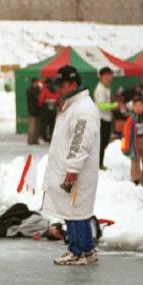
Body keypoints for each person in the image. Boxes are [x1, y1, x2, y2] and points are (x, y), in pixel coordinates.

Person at [42, 65, 101, 266]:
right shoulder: (73, 105)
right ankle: (87, 249)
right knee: (75, 210)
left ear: (73, 84)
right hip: (69, 168)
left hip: (76, 170)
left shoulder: (83, 109)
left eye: (62, 85)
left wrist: (73, 169)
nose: (59, 89)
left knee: (75, 211)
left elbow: (80, 141)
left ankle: (77, 251)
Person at [93, 67, 118, 170]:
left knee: (104, 142)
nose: (109, 78)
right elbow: (101, 106)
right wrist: (113, 105)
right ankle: (98, 164)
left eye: (110, 75)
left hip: (107, 119)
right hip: (101, 119)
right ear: (101, 76)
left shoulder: (106, 88)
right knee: (101, 143)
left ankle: (100, 163)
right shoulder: (100, 89)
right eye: (107, 75)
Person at [25, 78, 42, 145]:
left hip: (35, 110)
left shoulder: (36, 89)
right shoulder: (32, 90)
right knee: (32, 126)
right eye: (36, 82)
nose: (37, 83)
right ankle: (31, 140)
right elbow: (33, 98)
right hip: (33, 110)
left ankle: (34, 140)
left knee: (36, 126)